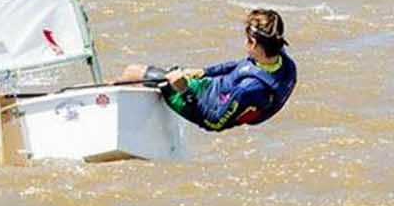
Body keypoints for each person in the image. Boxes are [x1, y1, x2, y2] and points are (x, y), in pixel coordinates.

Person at [119, 9, 296, 132]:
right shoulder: (282, 61)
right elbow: (240, 66)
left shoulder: (248, 89)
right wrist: (205, 72)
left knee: (133, 72)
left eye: (248, 40)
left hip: (200, 106)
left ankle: (111, 112)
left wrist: (184, 90)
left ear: (255, 44)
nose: (245, 44)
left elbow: (213, 122)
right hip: (215, 89)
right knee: (149, 76)